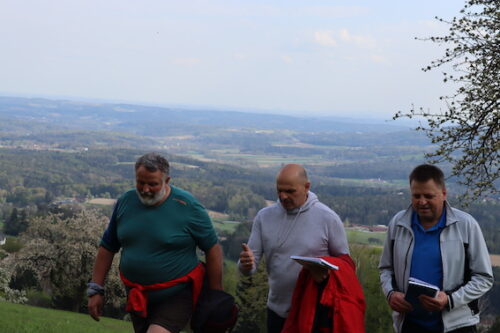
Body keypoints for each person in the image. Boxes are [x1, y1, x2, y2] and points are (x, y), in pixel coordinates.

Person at [87, 152, 223, 333]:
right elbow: (108, 246)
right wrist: (96, 289)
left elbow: (212, 248)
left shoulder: (188, 206)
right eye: (140, 182)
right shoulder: (126, 202)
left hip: (177, 294)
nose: (145, 189)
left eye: (153, 184)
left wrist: (216, 297)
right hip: (137, 295)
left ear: (167, 181)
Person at [379, 164, 493, 333]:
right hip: (409, 324)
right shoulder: (399, 223)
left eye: (428, 196)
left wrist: (449, 299)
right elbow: (386, 269)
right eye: (416, 195)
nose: (422, 201)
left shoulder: (466, 225)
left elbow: (483, 278)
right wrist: (390, 293)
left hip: (456, 326)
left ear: (444, 194)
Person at [238, 164, 349, 333]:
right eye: (279, 191)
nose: (283, 196)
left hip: (315, 312)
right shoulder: (264, 217)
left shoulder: (328, 218)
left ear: (307, 187)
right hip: (276, 311)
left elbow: (346, 268)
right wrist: (245, 265)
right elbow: (249, 267)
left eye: (290, 191)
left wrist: (324, 275)